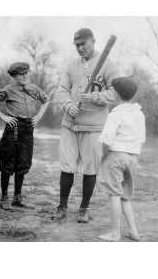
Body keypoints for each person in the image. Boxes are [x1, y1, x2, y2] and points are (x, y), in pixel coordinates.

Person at [55, 28, 119, 222]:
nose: (80, 48)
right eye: (77, 45)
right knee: (67, 166)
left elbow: (115, 94)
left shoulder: (108, 65)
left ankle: (84, 208)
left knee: (90, 168)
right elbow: (62, 90)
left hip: (94, 126)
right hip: (70, 124)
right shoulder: (72, 66)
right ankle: (62, 206)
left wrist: (94, 96)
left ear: (93, 41)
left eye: (84, 44)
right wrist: (67, 105)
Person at [98, 76, 146, 242]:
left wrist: (102, 157)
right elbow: (141, 139)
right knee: (125, 195)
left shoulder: (115, 114)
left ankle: (115, 233)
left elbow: (106, 140)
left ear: (117, 95)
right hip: (133, 157)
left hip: (116, 156)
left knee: (114, 194)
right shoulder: (139, 114)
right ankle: (134, 231)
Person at [0, 62, 49, 209]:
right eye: (21, 74)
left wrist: (38, 117)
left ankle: (17, 197)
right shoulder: (7, 90)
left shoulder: (33, 88)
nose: (25, 76)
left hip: (28, 127)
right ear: (13, 76)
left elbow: (46, 100)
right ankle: (4, 197)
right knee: (7, 162)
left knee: (23, 162)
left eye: (26, 73)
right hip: (13, 128)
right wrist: (4, 117)